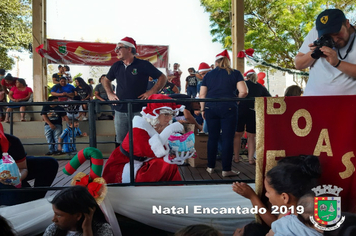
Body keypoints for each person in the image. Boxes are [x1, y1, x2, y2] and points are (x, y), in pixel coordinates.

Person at [103, 94, 194, 184]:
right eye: (166, 114)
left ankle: (173, 191)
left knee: (169, 163)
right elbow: (152, 151)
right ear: (155, 114)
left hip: (142, 162)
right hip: (124, 166)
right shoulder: (138, 130)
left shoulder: (158, 127)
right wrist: (169, 130)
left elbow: (163, 148)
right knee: (164, 164)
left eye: (171, 114)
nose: (170, 118)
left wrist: (179, 153)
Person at [102, 37, 167, 146]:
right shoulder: (116, 66)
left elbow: (162, 77)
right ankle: (122, 162)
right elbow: (106, 80)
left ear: (129, 49)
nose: (116, 51)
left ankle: (139, 162)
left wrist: (151, 92)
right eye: (116, 48)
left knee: (140, 139)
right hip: (120, 109)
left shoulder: (143, 64)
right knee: (121, 140)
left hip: (139, 110)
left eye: (119, 48)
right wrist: (110, 93)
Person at [232, 155, 321, 227]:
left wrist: (252, 197)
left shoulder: (288, 223)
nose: (266, 194)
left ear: (284, 197)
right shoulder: (290, 213)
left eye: (268, 191)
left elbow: (274, 224)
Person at [200, 49, 248, 177]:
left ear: (216, 62)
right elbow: (244, 92)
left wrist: (203, 109)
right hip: (229, 107)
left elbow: (202, 94)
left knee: (212, 138)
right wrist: (235, 101)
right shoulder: (236, 73)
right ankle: (226, 169)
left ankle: (210, 167)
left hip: (210, 107)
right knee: (227, 139)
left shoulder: (208, 75)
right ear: (228, 61)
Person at [295, 9, 356, 95]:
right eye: (328, 36)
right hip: (313, 101)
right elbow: (298, 64)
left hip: (348, 104)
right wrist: (316, 51)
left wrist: (337, 63)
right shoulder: (316, 32)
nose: (335, 40)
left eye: (336, 33)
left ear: (347, 23)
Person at [0, 123, 59, 206]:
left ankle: (36, 200)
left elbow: (23, 168)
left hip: (7, 175)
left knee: (49, 163)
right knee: (17, 197)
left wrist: (16, 178)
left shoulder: (12, 141)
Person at [233, 69, 271, 165]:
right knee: (251, 136)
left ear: (247, 77)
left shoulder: (242, 84)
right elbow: (269, 97)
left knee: (237, 135)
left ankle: (236, 158)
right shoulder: (260, 87)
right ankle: (250, 159)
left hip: (240, 111)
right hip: (253, 112)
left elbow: (234, 95)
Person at [44, 185, 113, 236]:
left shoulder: (102, 229)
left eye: (58, 215)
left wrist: (87, 230)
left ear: (78, 216)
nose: (53, 219)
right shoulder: (54, 228)